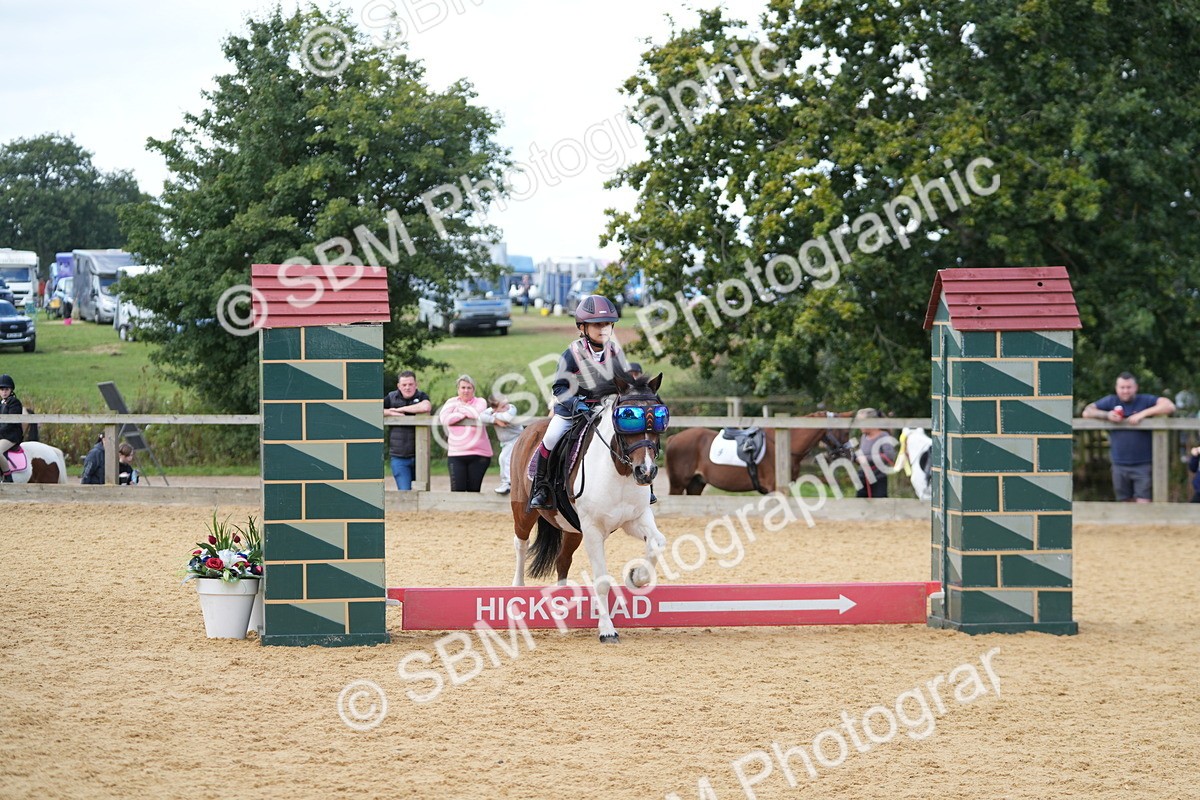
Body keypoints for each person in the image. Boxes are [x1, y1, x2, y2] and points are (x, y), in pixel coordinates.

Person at [530, 295, 650, 508]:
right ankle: (541, 487)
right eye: (597, 325)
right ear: (583, 327)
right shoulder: (572, 354)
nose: (603, 328)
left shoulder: (614, 352)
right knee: (551, 437)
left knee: (635, 436)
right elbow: (559, 388)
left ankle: (644, 485)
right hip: (573, 410)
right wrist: (577, 404)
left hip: (604, 409)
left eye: (606, 324)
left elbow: (624, 384)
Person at [1082, 373, 1176, 502]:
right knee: (1124, 503)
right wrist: (1107, 415)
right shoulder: (1111, 401)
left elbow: (1169, 406)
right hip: (1119, 464)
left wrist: (1142, 414)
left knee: (1143, 503)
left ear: (1135, 387)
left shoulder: (1145, 400)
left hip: (1143, 464)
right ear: (1116, 388)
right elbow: (1087, 411)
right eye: (1122, 387)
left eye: (1129, 387)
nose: (1125, 390)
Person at [439, 374, 493, 492]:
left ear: (473, 390)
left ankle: (472, 511)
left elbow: (477, 414)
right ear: (458, 389)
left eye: (469, 388)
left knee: (474, 490)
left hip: (479, 453)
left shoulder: (480, 401)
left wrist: (459, 411)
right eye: (463, 387)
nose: (466, 390)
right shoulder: (451, 402)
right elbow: (444, 419)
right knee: (457, 490)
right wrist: (464, 413)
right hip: (456, 453)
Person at [383, 370, 432, 490]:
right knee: (404, 493)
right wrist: (389, 412)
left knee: (422, 492)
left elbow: (426, 406)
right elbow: (373, 409)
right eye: (404, 385)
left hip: (419, 455)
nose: (407, 387)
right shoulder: (391, 397)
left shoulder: (421, 396)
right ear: (398, 386)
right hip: (399, 456)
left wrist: (400, 410)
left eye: (410, 384)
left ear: (416, 384)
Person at [481, 392, 524, 495]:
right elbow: (481, 416)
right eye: (503, 406)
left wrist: (495, 415)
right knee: (502, 459)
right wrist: (495, 420)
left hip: (517, 438)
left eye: (506, 403)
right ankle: (506, 483)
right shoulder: (493, 411)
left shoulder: (511, 408)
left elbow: (507, 417)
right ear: (495, 408)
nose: (507, 406)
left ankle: (509, 483)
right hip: (506, 442)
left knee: (506, 458)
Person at [853, 408, 896, 498]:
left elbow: (890, 456)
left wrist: (867, 459)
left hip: (878, 479)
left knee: (879, 507)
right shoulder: (863, 437)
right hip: (863, 477)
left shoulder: (883, 436)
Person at [0, 374, 23, 482]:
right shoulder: (1, 404)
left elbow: (10, 424)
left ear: (11, 390)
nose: (4, 392)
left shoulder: (14, 403)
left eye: (6, 389)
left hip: (11, 436)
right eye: (1, 389)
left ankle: (7, 475)